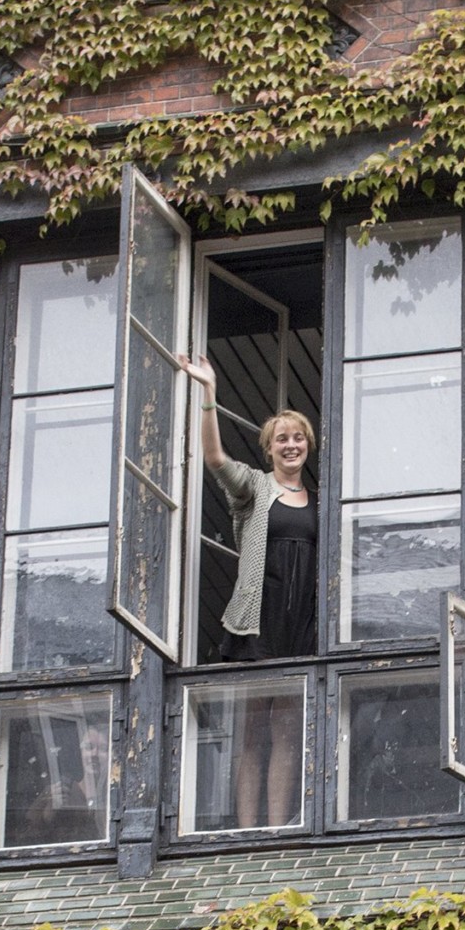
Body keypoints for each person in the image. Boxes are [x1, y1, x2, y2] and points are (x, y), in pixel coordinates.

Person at [177, 353, 315, 829]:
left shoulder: (320, 501)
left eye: (298, 438)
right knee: (253, 732)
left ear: (307, 446)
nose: (291, 445)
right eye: (282, 439)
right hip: (261, 616)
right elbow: (214, 459)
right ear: (269, 449)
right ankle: (248, 826)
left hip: (302, 623)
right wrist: (209, 393)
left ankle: (276, 828)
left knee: (286, 733)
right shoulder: (255, 487)